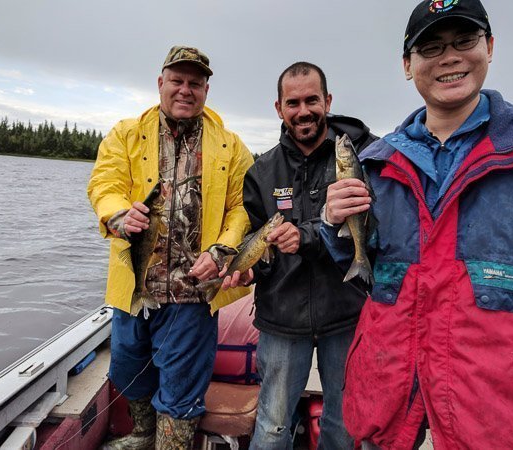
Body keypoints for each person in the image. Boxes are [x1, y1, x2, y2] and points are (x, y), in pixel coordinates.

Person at [321, 1, 513, 449]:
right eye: (431, 48)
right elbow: (369, 266)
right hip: (388, 388)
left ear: (490, 47)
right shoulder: (377, 162)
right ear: (408, 65)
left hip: (499, 405)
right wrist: (333, 223)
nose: (449, 57)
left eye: (465, 41)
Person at [87, 45, 253, 449]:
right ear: (161, 83)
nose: (185, 90)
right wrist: (118, 215)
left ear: (206, 90)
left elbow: (243, 208)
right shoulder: (126, 133)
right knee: (127, 368)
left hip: (193, 291)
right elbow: (104, 185)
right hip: (135, 286)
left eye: (195, 83)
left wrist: (222, 250)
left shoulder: (231, 145)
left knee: (180, 386)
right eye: (177, 81)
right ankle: (144, 434)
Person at [225, 62, 377, 449]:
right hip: (281, 319)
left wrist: (309, 234)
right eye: (293, 102)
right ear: (278, 108)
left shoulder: (361, 157)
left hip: (346, 312)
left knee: (342, 425)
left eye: (312, 100)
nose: (303, 110)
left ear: (328, 101)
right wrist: (249, 269)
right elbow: (257, 242)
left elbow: (379, 227)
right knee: (273, 425)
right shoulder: (262, 171)